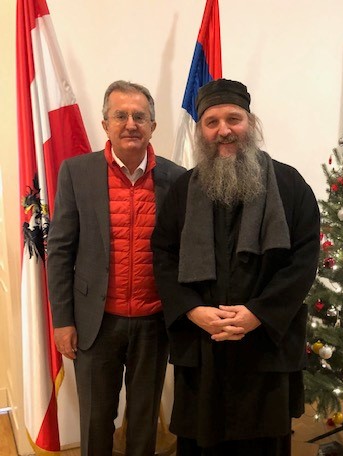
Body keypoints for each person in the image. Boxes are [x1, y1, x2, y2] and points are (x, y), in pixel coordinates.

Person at [152, 78, 320, 456]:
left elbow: (304, 258)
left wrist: (259, 313)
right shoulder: (183, 189)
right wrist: (192, 310)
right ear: (200, 131)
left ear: (251, 122)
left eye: (233, 119)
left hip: (265, 346)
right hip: (204, 343)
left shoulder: (290, 185)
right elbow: (163, 255)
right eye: (211, 122)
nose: (223, 130)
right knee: (201, 441)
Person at [47, 80, 185, 456]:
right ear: (105, 124)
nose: (130, 124)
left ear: (152, 126)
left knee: (143, 421)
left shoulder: (177, 178)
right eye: (120, 115)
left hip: (153, 324)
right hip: (96, 323)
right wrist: (63, 321)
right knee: (96, 420)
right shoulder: (77, 172)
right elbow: (60, 251)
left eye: (139, 116)